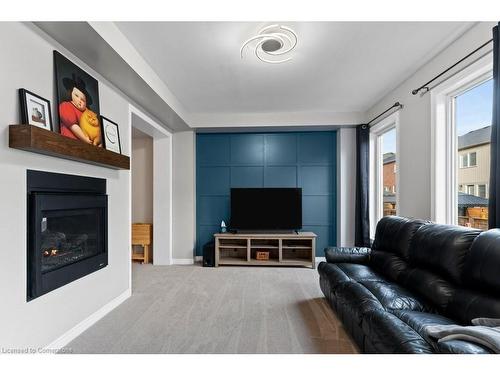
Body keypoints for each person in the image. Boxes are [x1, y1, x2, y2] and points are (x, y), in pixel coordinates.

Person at [59, 74, 97, 144]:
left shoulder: (87, 113)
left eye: (83, 100)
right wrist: (85, 139)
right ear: (71, 94)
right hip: (70, 141)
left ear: (86, 104)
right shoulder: (66, 106)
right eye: (76, 96)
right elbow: (73, 126)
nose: (79, 100)